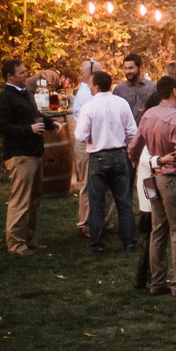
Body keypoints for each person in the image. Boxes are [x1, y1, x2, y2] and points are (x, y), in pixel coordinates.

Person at [128, 76, 176, 297]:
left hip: (154, 177)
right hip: (173, 179)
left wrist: (144, 163)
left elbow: (133, 147)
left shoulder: (149, 114)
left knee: (158, 230)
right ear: (173, 91)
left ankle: (157, 282)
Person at [73, 70, 138, 253]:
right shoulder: (122, 104)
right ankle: (129, 241)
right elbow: (132, 131)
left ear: (96, 86)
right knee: (124, 201)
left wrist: (93, 137)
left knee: (97, 202)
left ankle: (98, 244)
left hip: (98, 157)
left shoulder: (89, 107)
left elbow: (80, 135)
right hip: (118, 154)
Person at [0, 58, 52, 256]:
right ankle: (16, 244)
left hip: (34, 154)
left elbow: (34, 116)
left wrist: (52, 124)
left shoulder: (25, 94)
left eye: (25, 71)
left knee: (34, 200)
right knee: (20, 201)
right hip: (20, 156)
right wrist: (29, 129)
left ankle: (28, 239)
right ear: (10, 76)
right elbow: (1, 127)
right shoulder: (5, 97)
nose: (25, 75)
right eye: (21, 73)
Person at [71, 58, 104, 238]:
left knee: (98, 182)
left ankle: (102, 221)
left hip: (95, 140)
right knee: (86, 183)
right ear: (90, 75)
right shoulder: (87, 95)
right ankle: (85, 223)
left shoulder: (90, 92)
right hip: (87, 143)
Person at [114, 54, 157, 122]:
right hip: (126, 131)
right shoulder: (119, 90)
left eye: (131, 68)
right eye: (125, 68)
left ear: (140, 67)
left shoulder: (152, 87)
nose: (127, 71)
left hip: (148, 129)